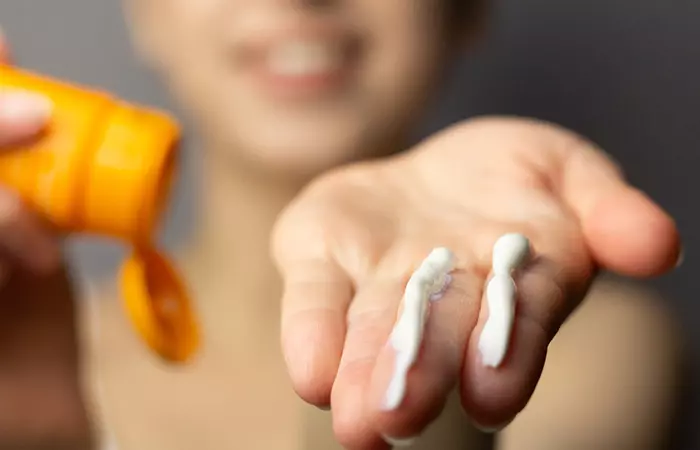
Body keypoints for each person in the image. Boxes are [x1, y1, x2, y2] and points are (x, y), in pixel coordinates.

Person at [0, 0, 684, 449]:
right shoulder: (27, 361)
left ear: (467, 9)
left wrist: (418, 331)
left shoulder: (591, 355)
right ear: (145, 12)